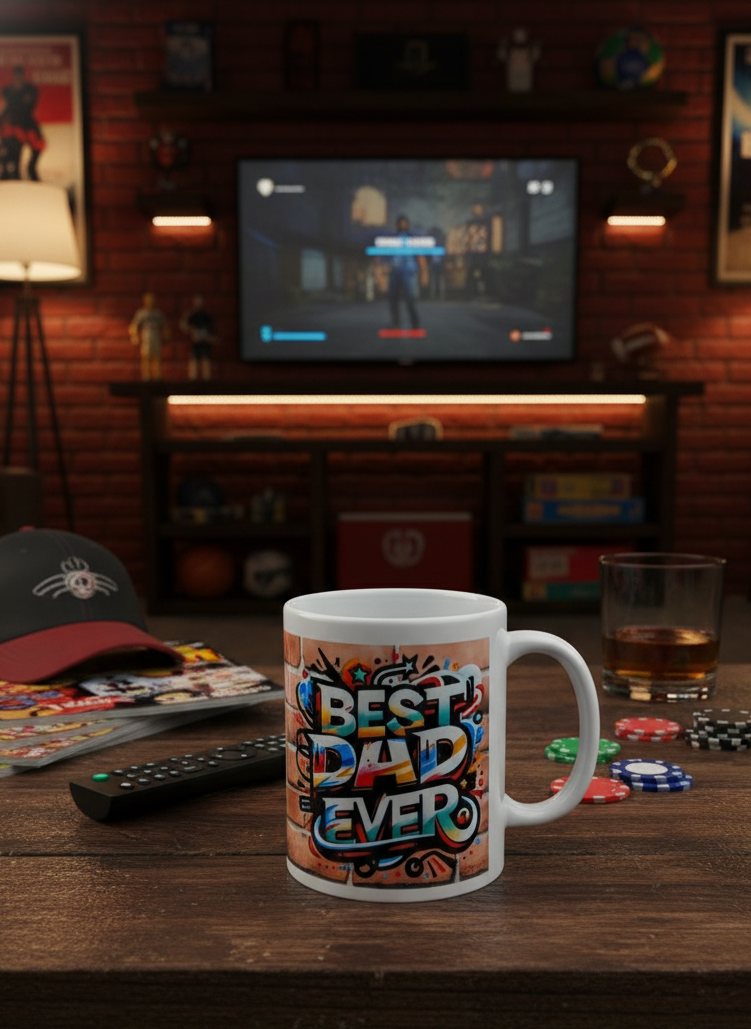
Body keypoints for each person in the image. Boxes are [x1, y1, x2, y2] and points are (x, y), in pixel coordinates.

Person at [0, 66, 45, 180]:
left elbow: (29, 104)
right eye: (16, 76)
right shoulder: (8, 91)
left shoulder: (30, 89)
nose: (18, 78)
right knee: (13, 158)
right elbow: (7, 108)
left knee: (37, 148)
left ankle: (31, 169)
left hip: (28, 124)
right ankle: (13, 176)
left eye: (20, 76)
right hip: (14, 127)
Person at [386, 215, 428, 330]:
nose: (402, 225)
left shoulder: (412, 238)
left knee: (410, 299)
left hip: (408, 272)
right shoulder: (393, 238)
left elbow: (420, 256)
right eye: (401, 223)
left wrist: (424, 274)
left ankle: (414, 322)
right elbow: (386, 256)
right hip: (395, 271)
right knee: (393, 298)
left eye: (404, 223)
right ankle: (395, 322)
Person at [129, 293, 169, 380]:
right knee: (146, 356)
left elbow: (165, 326)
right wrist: (135, 336)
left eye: (152, 300)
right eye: (148, 300)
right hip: (146, 335)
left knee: (157, 356)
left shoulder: (158, 313)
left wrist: (166, 336)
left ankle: (157, 376)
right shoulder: (141, 313)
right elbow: (134, 326)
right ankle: (146, 376)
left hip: (156, 335)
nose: (150, 302)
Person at [179, 294, 217, 380]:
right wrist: (192, 331)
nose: (198, 303)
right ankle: (193, 379)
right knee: (194, 360)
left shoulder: (206, 316)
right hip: (195, 341)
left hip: (205, 341)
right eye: (197, 301)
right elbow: (183, 325)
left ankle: (207, 379)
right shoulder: (192, 315)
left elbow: (213, 328)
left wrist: (209, 337)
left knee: (205, 360)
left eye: (200, 301)